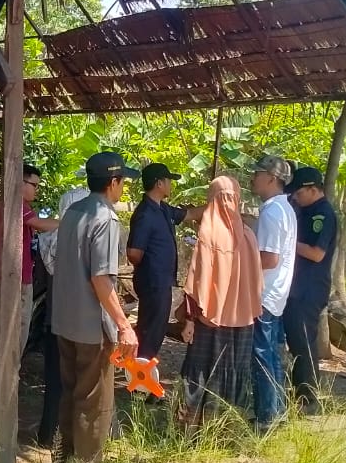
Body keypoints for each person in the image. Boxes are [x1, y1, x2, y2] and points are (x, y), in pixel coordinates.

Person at [51, 152, 140, 463]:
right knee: (93, 401)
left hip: (64, 320)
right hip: (91, 326)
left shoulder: (73, 212)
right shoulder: (106, 219)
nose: (123, 188)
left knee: (70, 393)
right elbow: (101, 279)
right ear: (113, 183)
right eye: (122, 182)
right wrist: (123, 325)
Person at [177, 175, 263, 427]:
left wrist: (189, 319)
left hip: (209, 320)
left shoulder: (209, 234)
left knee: (201, 371)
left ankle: (192, 429)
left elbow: (197, 282)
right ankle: (226, 428)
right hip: (243, 320)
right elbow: (256, 281)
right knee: (233, 371)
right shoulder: (248, 235)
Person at [0, 163, 58, 397]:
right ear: (21, 182)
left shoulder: (15, 205)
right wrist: (71, 222)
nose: (36, 190)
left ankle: (1, 379)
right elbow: (40, 225)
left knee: (10, 331)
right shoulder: (15, 205)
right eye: (34, 185)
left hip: (14, 278)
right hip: (9, 281)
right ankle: (2, 382)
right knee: (11, 332)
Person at [35, 185, 88, 448]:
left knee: (55, 381)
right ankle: (75, 439)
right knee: (82, 382)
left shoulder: (48, 238)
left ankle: (49, 434)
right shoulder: (85, 239)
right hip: (81, 320)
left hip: (54, 316)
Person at [283, 166, 339, 415]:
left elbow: (317, 253)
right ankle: (299, 393)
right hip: (297, 288)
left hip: (310, 289)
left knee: (303, 343)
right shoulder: (304, 211)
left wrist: (286, 242)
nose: (295, 197)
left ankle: (308, 400)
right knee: (296, 342)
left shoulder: (323, 214)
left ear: (313, 189)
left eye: (299, 193)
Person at [249, 155, 297, 433]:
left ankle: (266, 416)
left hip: (264, 293)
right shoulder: (284, 208)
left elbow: (268, 258)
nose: (253, 178)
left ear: (271, 178)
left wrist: (239, 262)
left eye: (257, 173)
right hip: (276, 293)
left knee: (261, 355)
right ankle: (277, 411)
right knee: (273, 355)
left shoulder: (271, 212)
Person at [126, 163, 190, 366]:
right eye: (168, 180)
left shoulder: (163, 209)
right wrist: (150, 265)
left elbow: (189, 215)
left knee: (156, 326)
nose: (171, 185)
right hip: (152, 280)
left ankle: (141, 368)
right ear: (159, 183)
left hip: (161, 280)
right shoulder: (145, 213)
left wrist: (216, 204)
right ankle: (140, 371)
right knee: (151, 328)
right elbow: (133, 253)